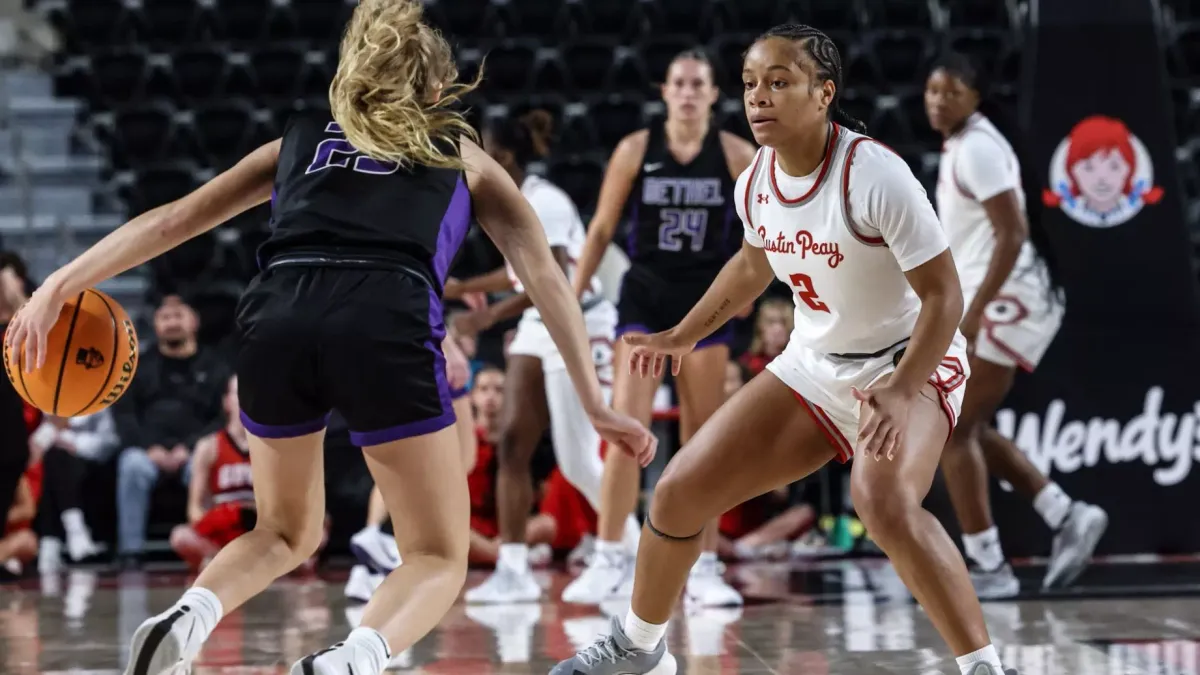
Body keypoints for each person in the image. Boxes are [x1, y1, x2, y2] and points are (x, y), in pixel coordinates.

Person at [4, 2, 656, 675]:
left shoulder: (298, 138)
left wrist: (58, 282)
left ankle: (189, 613)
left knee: (284, 528)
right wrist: (596, 400)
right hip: (385, 314)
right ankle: (353, 657)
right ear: (436, 91)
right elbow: (548, 281)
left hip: (277, 313)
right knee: (436, 552)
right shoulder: (463, 153)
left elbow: (173, 220)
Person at [551, 25, 1020, 675]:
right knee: (678, 493)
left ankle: (986, 668)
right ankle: (640, 648)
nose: (758, 97)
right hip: (817, 364)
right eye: (749, 84)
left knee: (882, 502)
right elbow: (751, 265)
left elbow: (945, 298)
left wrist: (903, 385)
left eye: (779, 82)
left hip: (909, 357)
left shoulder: (875, 174)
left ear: (823, 93)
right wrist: (682, 334)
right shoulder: (757, 180)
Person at [565, 47, 758, 607]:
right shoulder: (635, 149)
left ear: (714, 93)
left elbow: (766, 231)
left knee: (704, 441)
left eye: (699, 83)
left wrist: (752, 291)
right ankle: (608, 558)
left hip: (705, 307)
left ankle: (706, 567)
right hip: (646, 301)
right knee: (627, 431)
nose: (690, 91)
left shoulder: (736, 155)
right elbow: (600, 229)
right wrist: (570, 298)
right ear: (665, 91)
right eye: (680, 82)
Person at [925, 53, 1107, 597]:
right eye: (932, 91)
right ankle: (1065, 513)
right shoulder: (966, 141)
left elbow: (1012, 232)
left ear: (976, 98)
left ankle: (989, 569)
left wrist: (976, 308)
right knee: (968, 428)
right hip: (1006, 296)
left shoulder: (978, 148)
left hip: (1010, 299)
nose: (937, 101)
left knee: (952, 432)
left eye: (950, 92)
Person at [444, 110, 625, 604]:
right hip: (534, 325)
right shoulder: (512, 197)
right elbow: (518, 275)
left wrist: (485, 319)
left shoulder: (545, 202)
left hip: (577, 323)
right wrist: (464, 287)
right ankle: (514, 568)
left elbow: (555, 280)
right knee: (512, 444)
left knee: (578, 460)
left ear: (499, 156)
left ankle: (632, 548)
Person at [345, 329, 476, 602]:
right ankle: (382, 537)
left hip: (370, 350)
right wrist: (448, 344)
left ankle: (367, 567)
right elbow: (421, 294)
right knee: (461, 459)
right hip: (417, 344)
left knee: (396, 466)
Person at [112, 294, 231, 568]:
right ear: (155, 324)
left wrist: (190, 448)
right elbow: (124, 415)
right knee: (131, 465)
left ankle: (212, 544)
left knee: (207, 461)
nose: (172, 323)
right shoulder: (137, 366)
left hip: (194, 450)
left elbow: (222, 416)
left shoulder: (215, 366)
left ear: (194, 322)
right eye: (165, 318)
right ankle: (131, 551)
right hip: (147, 452)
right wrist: (149, 447)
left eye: (178, 316)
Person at [29, 410, 114, 572]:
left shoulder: (101, 398)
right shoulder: (44, 400)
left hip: (90, 462)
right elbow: (34, 443)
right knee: (54, 459)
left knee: (59, 460)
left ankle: (50, 541)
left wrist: (73, 443)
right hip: (48, 462)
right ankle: (74, 530)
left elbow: (108, 442)